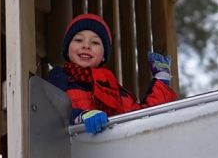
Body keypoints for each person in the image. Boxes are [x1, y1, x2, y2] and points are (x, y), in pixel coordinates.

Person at [48, 13, 178, 133]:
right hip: (75, 153)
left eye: (95, 42)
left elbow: (144, 118)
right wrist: (80, 116)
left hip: (114, 153)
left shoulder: (114, 89)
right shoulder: (60, 77)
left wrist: (162, 79)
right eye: (78, 40)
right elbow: (51, 110)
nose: (86, 46)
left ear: (103, 56)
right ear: (67, 49)